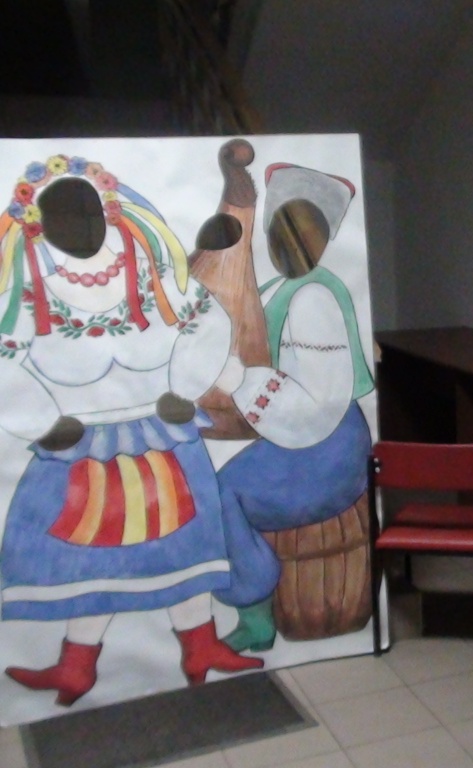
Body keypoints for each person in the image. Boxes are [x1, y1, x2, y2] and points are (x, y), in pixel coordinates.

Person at [0, 154, 263, 707]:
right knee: (89, 561)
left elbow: (204, 319)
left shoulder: (146, 268)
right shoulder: (28, 286)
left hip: (162, 431)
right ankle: (76, 667)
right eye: (63, 218)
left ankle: (200, 647)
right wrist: (41, 421)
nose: (80, 227)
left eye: (87, 213)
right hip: (76, 446)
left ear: (107, 211)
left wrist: (184, 386)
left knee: (182, 546)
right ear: (39, 224)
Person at [210, 162, 374, 651]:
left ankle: (255, 610)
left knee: (223, 492)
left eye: (305, 234)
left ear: (322, 240)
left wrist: (240, 381)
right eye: (282, 232)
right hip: (292, 434)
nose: (293, 244)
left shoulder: (315, 298)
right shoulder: (276, 289)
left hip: (327, 447)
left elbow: (317, 406)